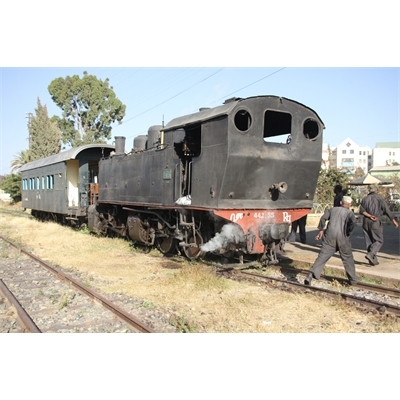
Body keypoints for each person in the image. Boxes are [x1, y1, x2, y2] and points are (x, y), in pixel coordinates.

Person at [304, 196, 360, 286]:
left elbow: (323, 218)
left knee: (322, 257)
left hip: (329, 237)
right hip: (343, 238)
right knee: (347, 258)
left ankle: (310, 275)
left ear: (341, 203)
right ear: (350, 205)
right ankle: (353, 279)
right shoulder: (350, 213)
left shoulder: (332, 210)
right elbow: (353, 222)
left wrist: (321, 230)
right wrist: (348, 232)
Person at [359, 184, 399, 266]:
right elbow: (387, 210)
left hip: (366, 221)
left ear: (369, 190)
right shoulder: (379, 198)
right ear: (376, 190)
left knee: (369, 241)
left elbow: (361, 211)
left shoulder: (364, 199)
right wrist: (393, 220)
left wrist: (370, 216)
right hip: (375, 221)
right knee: (378, 240)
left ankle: (372, 261)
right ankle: (371, 254)